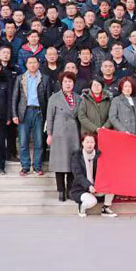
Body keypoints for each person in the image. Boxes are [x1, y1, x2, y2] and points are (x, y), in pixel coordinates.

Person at [12, 56, 52, 176]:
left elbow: (48, 98)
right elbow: (15, 97)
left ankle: (37, 166)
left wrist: (48, 116)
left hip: (39, 112)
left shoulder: (45, 78)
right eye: (30, 63)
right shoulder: (20, 78)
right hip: (24, 112)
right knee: (23, 141)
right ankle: (25, 166)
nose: (32, 65)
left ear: (38, 64)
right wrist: (14, 114)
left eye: (34, 62)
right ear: (26, 65)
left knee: (39, 142)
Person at [47, 72, 82, 202]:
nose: (68, 84)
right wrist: (49, 134)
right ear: (61, 83)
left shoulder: (78, 98)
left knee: (72, 163)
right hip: (59, 133)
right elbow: (49, 117)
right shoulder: (54, 98)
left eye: (70, 82)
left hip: (73, 133)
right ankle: (61, 190)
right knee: (60, 163)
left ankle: (70, 189)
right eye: (65, 82)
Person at [70, 133, 118, 218]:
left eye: (92, 142)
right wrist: (88, 186)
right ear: (82, 143)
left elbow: (105, 171)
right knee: (92, 202)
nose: (89, 144)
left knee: (112, 184)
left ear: (95, 143)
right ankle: (81, 207)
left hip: (97, 187)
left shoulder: (99, 155)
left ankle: (105, 208)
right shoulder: (77, 156)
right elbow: (78, 175)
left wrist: (99, 184)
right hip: (81, 189)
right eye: (87, 142)